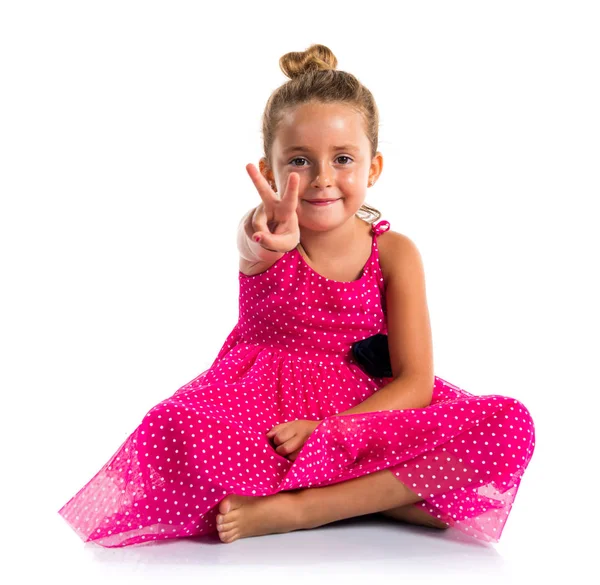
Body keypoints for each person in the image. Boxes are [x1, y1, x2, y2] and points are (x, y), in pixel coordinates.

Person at [58, 43, 535, 547]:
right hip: (268, 419)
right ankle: (388, 498)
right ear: (269, 171)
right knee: (172, 425)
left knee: (510, 425)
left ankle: (306, 508)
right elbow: (252, 241)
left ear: (372, 169)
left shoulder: (395, 253)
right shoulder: (270, 240)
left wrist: (330, 431)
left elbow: (415, 384)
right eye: (300, 161)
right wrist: (265, 232)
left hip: (362, 418)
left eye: (343, 159)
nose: (322, 179)